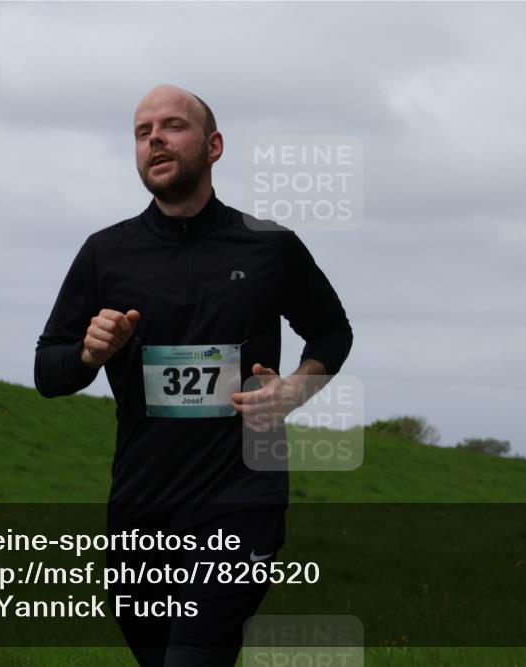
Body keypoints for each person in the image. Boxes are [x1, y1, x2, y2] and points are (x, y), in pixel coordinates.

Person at [34, 84, 353, 666]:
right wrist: (88, 353)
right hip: (142, 501)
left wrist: (292, 391)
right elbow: (47, 371)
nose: (154, 138)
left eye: (172, 126)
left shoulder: (270, 247)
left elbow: (333, 333)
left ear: (214, 146)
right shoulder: (106, 253)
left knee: (195, 655)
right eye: (141, 131)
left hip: (240, 496)